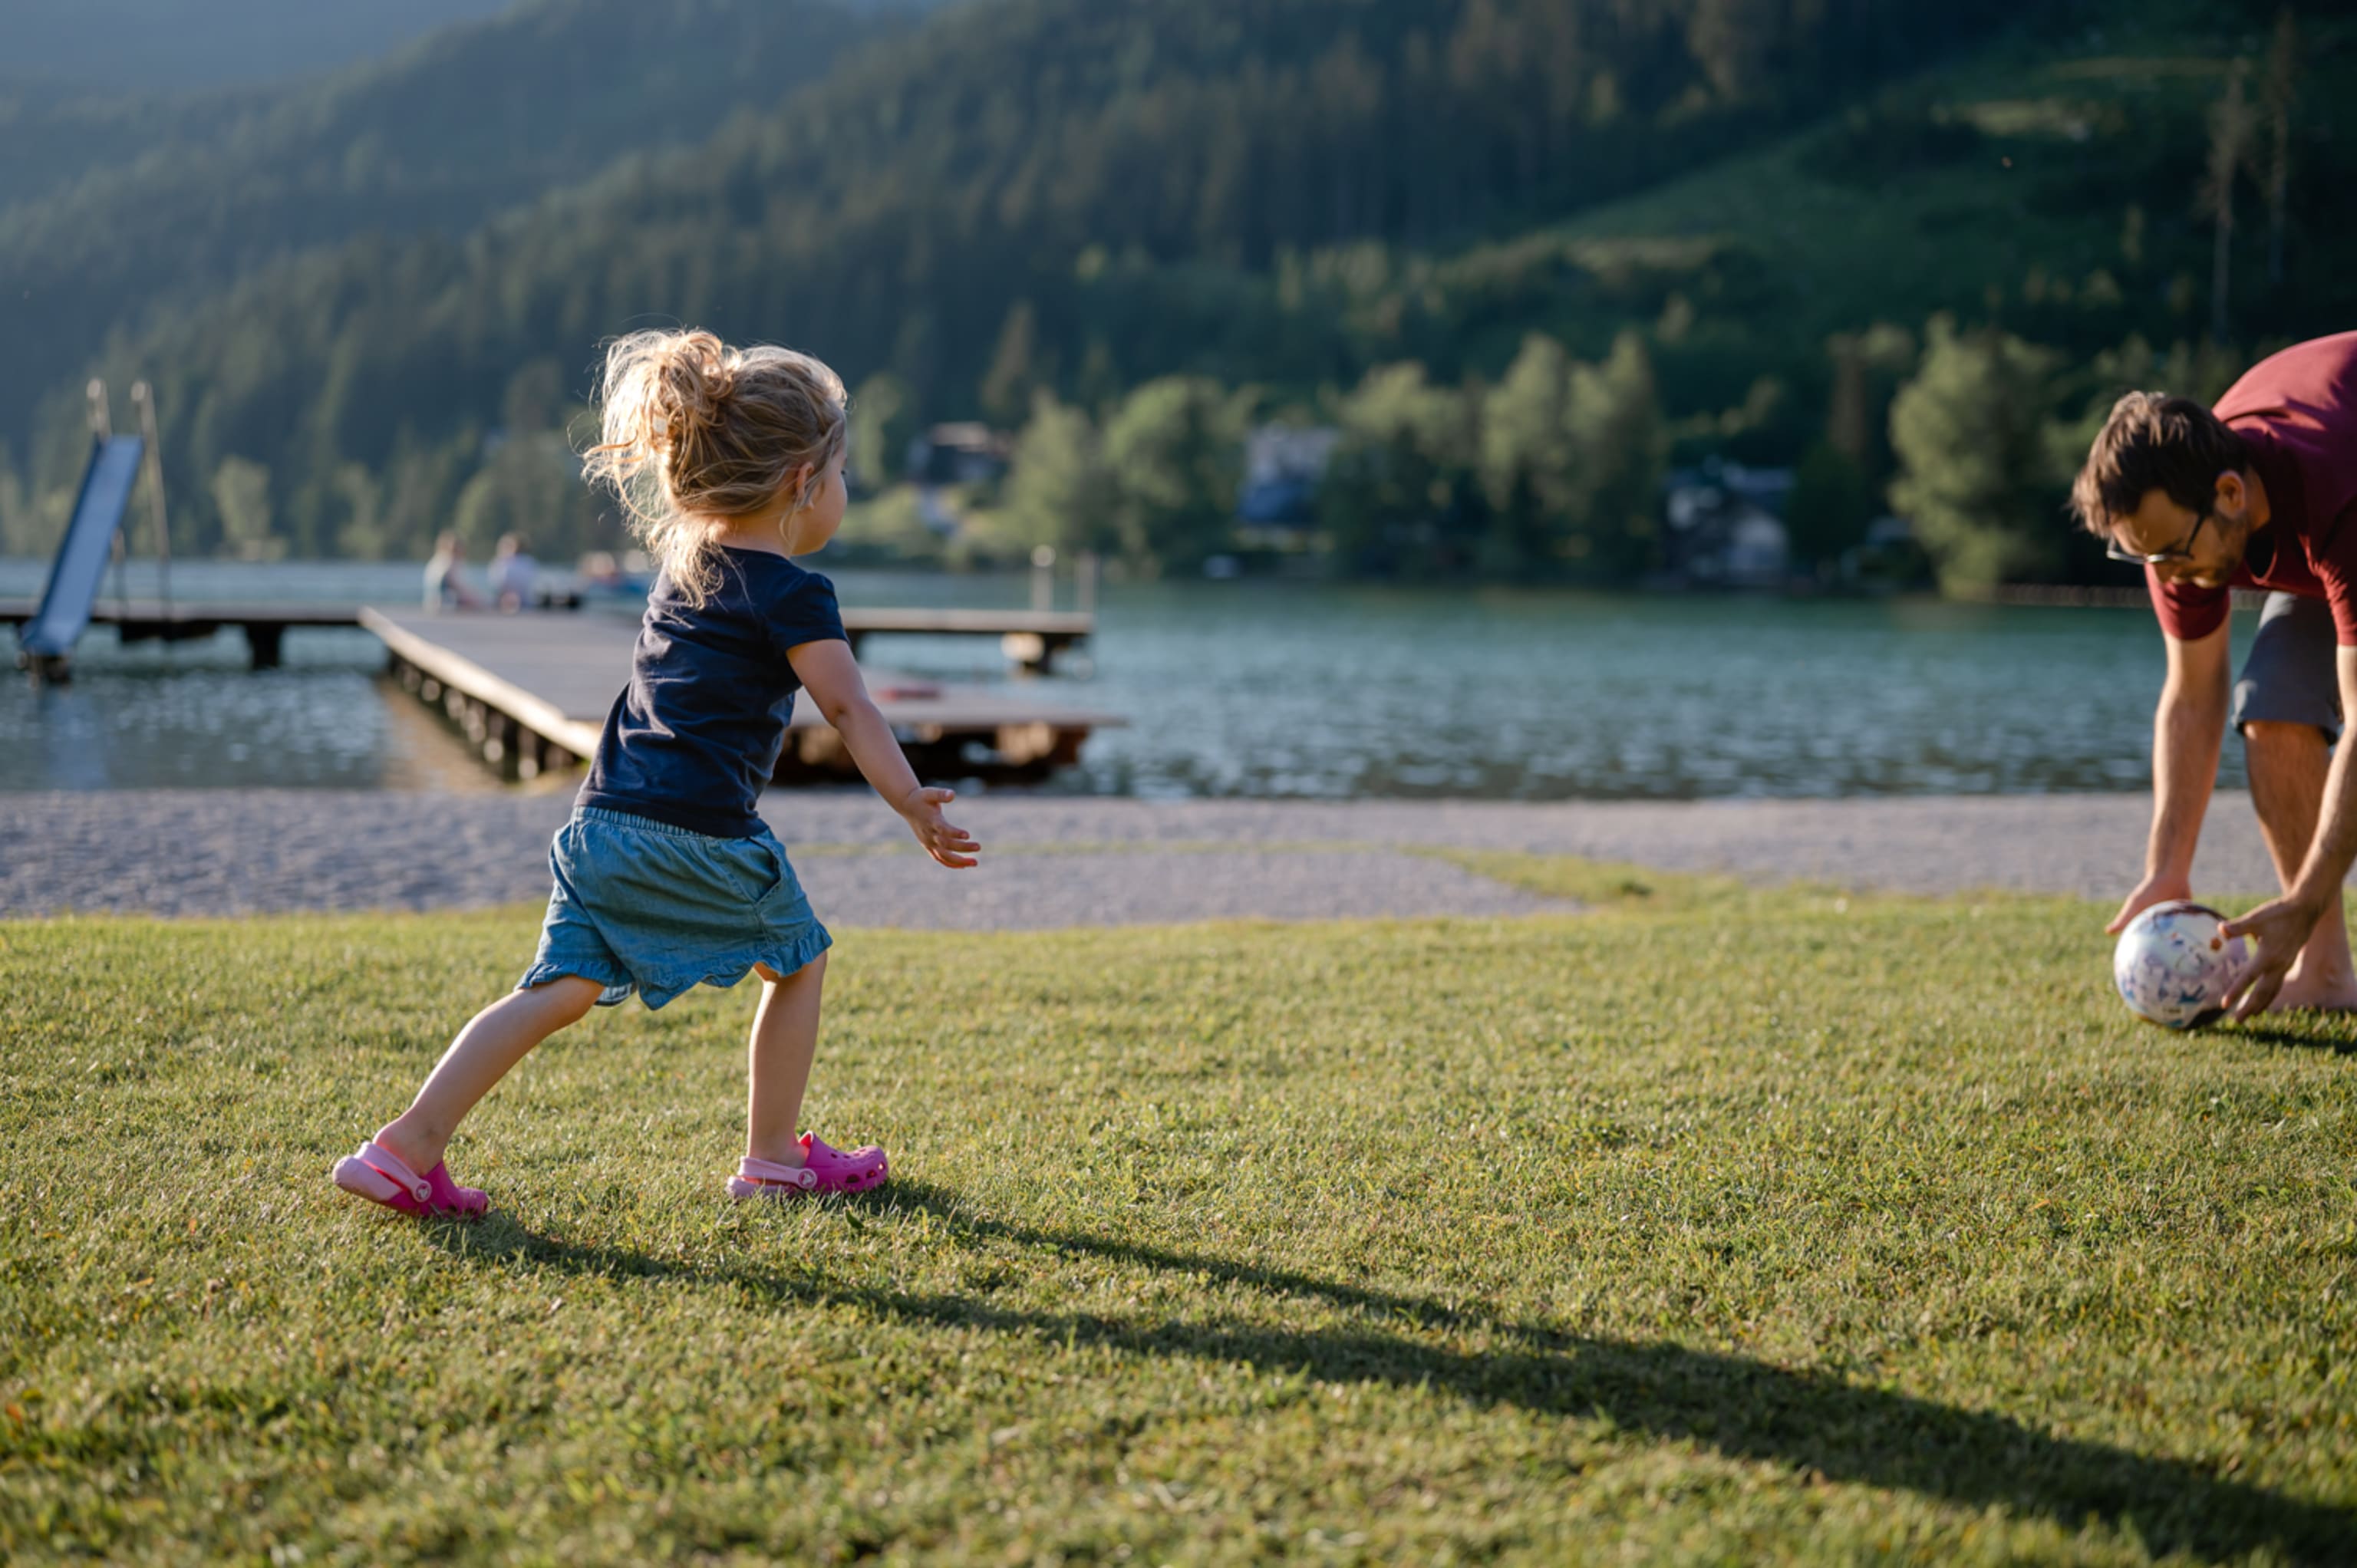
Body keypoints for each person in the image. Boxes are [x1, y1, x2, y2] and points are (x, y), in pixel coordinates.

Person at [332, 328, 981, 1216]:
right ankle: (772, 1157)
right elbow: (849, 708)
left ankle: (403, 1147)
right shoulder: (797, 594)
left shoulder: (684, 571)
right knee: (801, 958)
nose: (842, 492)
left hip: (600, 823)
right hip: (698, 833)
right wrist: (909, 798)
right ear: (801, 483)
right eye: (840, 475)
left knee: (555, 989)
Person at [2073, 331, 2357, 1018]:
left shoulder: (2335, 495)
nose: (2169, 576)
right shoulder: (2177, 527)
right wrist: (2167, 869)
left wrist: (2305, 898)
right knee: (2274, 705)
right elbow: (2193, 693)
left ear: (2230, 493)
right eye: (2147, 558)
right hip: (2322, 545)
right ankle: (2325, 976)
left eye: (2172, 553)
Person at [421, 532, 482, 611]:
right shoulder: (447, 562)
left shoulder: (438, 561)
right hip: (445, 605)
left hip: (435, 604)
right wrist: (477, 599)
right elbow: (454, 586)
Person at [489, 532, 539, 611]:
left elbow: (498, 584)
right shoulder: (530, 562)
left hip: (505, 602)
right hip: (526, 602)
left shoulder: (500, 563)